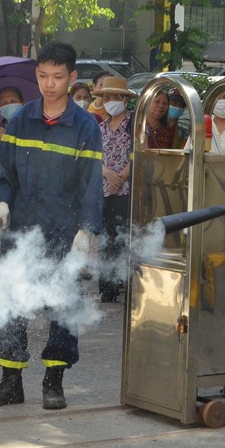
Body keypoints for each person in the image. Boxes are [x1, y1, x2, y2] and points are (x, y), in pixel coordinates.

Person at [0, 41, 104, 411]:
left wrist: (87, 229)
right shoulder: (21, 120)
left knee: (62, 307)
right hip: (21, 230)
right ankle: (10, 382)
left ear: (73, 77)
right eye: (44, 76)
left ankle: (54, 382)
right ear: (37, 75)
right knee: (11, 304)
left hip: (64, 233)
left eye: (59, 77)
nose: (50, 84)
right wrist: (0, 201)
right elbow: (6, 174)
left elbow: (91, 184)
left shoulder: (85, 127)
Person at [93, 76, 135, 302]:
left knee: (125, 238)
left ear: (123, 99)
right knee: (106, 240)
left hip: (127, 189)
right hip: (105, 188)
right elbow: (94, 158)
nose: (108, 101)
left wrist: (121, 176)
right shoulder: (100, 128)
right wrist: (108, 174)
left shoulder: (134, 124)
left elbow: (140, 153)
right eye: (105, 97)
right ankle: (107, 288)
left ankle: (127, 286)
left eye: (112, 97)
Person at [0, 86, 24, 181]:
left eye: (13, 101)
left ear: (22, 103)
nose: (9, 105)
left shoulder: (33, 127)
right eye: (4, 103)